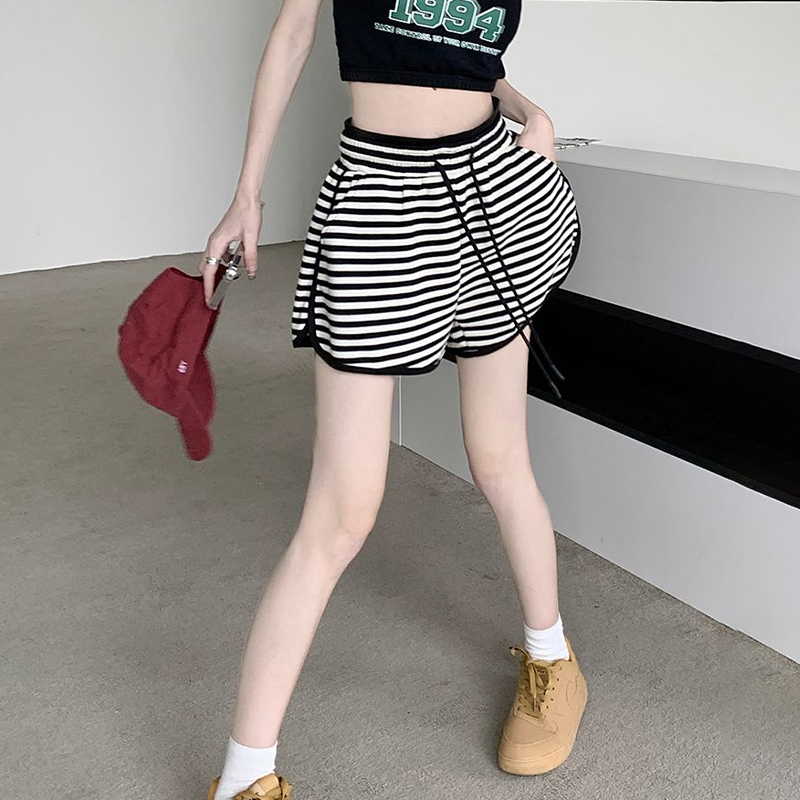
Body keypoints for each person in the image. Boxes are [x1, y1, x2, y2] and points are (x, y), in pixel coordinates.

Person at [198, 0, 587, 796]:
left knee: (500, 458)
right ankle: (246, 778)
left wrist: (529, 110)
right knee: (342, 512)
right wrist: (247, 193)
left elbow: (461, 51)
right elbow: (295, 31)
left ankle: (554, 663)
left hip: (497, 190)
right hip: (381, 196)